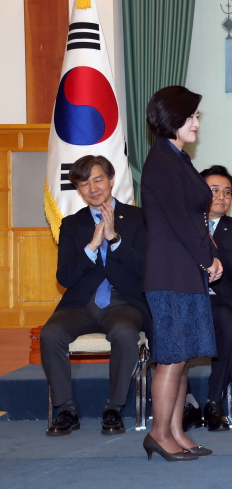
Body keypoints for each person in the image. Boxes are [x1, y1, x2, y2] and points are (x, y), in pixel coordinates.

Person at [41, 155, 150, 437]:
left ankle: (113, 408)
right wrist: (92, 245)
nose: (92, 188)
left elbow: (146, 270)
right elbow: (64, 277)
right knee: (51, 333)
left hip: (124, 303)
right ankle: (66, 410)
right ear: (78, 189)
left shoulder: (139, 218)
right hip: (81, 304)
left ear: (112, 180)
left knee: (125, 334)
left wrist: (114, 239)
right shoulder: (72, 224)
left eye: (98, 179)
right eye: (83, 183)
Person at [141, 85, 221, 461]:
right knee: (172, 356)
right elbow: (180, 220)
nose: (197, 123)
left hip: (186, 269)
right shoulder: (161, 161)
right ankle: (158, 433)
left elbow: (195, 219)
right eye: (192, 117)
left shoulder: (178, 158)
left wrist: (209, 256)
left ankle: (176, 431)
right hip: (170, 271)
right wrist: (207, 258)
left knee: (183, 355)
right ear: (174, 119)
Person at [183, 166, 232, 432]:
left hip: (222, 301)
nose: (222, 197)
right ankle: (187, 404)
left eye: (227, 192)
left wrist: (214, 246)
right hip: (188, 300)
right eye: (214, 191)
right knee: (165, 324)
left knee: (230, 324)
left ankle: (215, 402)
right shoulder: (182, 227)